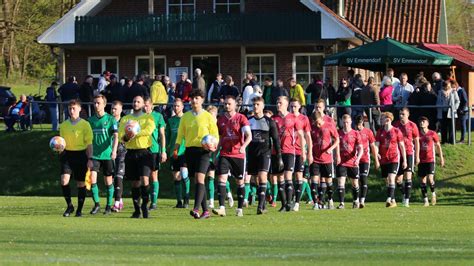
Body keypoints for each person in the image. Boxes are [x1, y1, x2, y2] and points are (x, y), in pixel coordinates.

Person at [174, 89, 219, 219]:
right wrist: (176, 148)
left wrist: (213, 145)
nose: (194, 101)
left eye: (197, 98)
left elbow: (215, 135)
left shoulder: (208, 117)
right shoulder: (186, 117)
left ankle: (196, 208)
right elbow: (180, 135)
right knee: (198, 182)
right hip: (190, 151)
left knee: (200, 178)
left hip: (204, 151)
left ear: (202, 100)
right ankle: (206, 211)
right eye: (192, 98)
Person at [212, 96, 252, 217]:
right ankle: (222, 208)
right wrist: (215, 151)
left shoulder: (241, 118)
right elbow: (219, 137)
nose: (227, 106)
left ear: (235, 105)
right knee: (222, 180)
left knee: (240, 181)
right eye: (225, 104)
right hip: (224, 154)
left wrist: (243, 146)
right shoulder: (221, 120)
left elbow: (249, 135)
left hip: (238, 154)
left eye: (229, 104)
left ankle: (239, 208)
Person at [118, 95, 156, 218]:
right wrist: (126, 137)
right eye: (134, 101)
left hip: (144, 152)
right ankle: (137, 209)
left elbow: (149, 131)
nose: (135, 103)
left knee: (145, 179)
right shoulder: (125, 119)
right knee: (135, 183)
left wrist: (135, 132)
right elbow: (120, 136)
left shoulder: (148, 118)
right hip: (131, 153)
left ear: (143, 104)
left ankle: (145, 206)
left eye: (138, 101)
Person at [247, 96, 283, 214]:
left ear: (262, 106)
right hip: (252, 154)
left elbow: (276, 140)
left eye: (258, 104)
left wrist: (279, 157)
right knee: (256, 179)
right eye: (254, 105)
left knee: (263, 176)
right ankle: (266, 196)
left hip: (265, 153)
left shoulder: (269, 121)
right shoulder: (249, 121)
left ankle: (260, 206)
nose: (255, 107)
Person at [59, 99, 93, 217]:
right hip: (67, 155)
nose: (71, 111)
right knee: (64, 180)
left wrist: (90, 159)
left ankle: (79, 210)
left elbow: (89, 143)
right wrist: (58, 148)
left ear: (79, 109)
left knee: (80, 183)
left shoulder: (85, 124)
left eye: (74, 108)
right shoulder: (63, 125)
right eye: (69, 109)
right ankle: (69, 206)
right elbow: (61, 142)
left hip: (80, 155)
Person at [271, 96, 306, 212]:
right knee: (279, 177)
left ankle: (290, 203)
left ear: (286, 104)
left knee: (288, 176)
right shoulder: (273, 118)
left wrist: (303, 152)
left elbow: (301, 135)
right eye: (277, 102)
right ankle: (284, 204)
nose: (278, 104)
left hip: (290, 151)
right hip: (276, 152)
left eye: (280, 103)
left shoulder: (293, 118)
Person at [88, 95, 118, 215]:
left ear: (104, 104)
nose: (96, 105)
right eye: (94, 103)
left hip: (107, 155)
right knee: (92, 179)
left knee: (108, 181)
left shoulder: (111, 119)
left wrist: (114, 151)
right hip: (95, 155)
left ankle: (108, 205)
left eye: (98, 103)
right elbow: (88, 140)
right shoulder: (90, 121)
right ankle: (97, 204)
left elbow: (116, 136)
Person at [375, 112, 406, 208]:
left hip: (394, 158)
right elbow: (376, 145)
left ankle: (388, 199)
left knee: (391, 178)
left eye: (383, 118)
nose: (381, 120)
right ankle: (393, 200)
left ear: (388, 119)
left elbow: (401, 146)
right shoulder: (380, 132)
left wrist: (404, 160)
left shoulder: (396, 131)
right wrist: (377, 154)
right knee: (387, 180)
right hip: (384, 159)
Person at [310, 111, 339, 210]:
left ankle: (330, 200)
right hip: (315, 159)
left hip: (326, 160)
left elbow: (337, 139)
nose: (317, 125)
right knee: (313, 180)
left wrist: (331, 149)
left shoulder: (329, 126)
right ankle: (316, 203)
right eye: (315, 123)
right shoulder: (312, 128)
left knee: (329, 182)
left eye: (319, 123)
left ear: (322, 119)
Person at [289, 98, 313, 211]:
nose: (293, 108)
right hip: (288, 150)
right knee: (289, 176)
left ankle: (297, 202)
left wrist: (309, 153)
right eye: (291, 106)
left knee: (299, 176)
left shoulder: (304, 119)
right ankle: (289, 200)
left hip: (300, 151)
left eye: (295, 106)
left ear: (299, 107)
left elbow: (308, 136)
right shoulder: (287, 118)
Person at [393, 108, 420, 207]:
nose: (401, 116)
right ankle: (405, 194)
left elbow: (417, 141)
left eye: (403, 114)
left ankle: (407, 200)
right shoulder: (395, 125)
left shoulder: (413, 125)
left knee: (408, 176)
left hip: (409, 153)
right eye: (400, 114)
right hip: (397, 154)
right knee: (398, 180)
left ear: (408, 115)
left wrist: (417, 156)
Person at [335, 114, 363, 209]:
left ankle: (356, 200)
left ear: (351, 122)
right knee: (340, 182)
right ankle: (342, 203)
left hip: (352, 162)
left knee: (355, 183)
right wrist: (336, 156)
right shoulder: (338, 133)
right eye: (344, 122)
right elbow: (335, 145)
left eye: (347, 122)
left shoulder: (356, 133)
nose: (346, 124)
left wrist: (358, 159)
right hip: (341, 162)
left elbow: (360, 148)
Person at [166, 98, 190, 208]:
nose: (176, 108)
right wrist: (166, 150)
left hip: (184, 152)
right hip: (173, 152)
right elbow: (168, 137)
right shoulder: (171, 121)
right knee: (176, 176)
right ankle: (179, 201)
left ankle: (186, 198)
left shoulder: (187, 119)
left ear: (182, 107)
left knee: (184, 174)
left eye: (178, 106)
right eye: (174, 106)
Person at [144, 98, 167, 211]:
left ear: (152, 106)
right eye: (144, 105)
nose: (145, 107)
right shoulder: (139, 117)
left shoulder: (158, 116)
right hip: (141, 150)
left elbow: (162, 135)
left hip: (153, 150)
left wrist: (163, 151)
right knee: (143, 177)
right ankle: (145, 200)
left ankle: (153, 202)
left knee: (154, 176)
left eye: (147, 105)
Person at [417, 116, 444, 207]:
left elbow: (438, 146)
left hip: (430, 159)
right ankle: (425, 200)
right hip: (421, 160)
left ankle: (433, 194)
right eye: (420, 121)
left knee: (430, 179)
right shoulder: (417, 135)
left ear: (427, 123)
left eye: (424, 121)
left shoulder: (432, 133)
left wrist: (441, 158)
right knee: (422, 181)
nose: (422, 123)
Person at [354, 115, 378, 208]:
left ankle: (362, 201)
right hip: (354, 160)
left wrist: (376, 160)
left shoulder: (368, 132)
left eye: (360, 124)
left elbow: (373, 146)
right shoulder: (353, 132)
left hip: (365, 159)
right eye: (357, 124)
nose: (358, 126)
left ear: (363, 123)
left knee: (363, 178)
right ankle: (355, 200)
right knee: (356, 181)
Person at [110, 101, 126, 212]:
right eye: (112, 108)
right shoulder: (108, 120)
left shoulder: (125, 121)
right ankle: (119, 200)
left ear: (121, 109)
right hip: (109, 151)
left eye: (115, 108)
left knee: (118, 175)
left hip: (122, 150)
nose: (113, 110)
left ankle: (116, 203)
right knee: (110, 177)